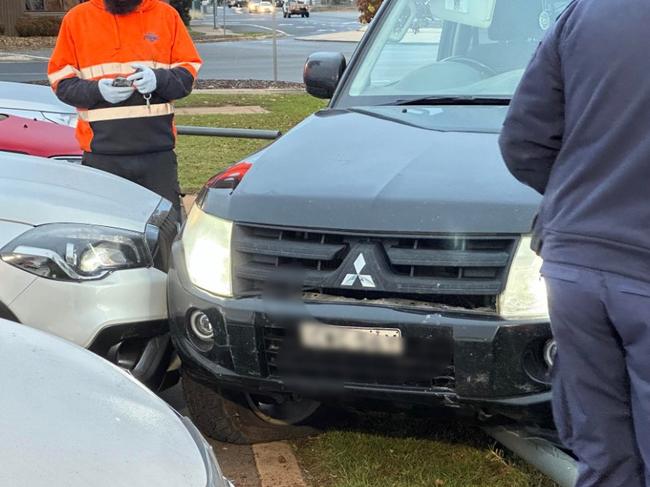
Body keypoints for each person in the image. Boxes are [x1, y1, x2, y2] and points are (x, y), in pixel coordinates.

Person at [500, 1, 650, 485]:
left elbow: (522, 141)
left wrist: (583, 200)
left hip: (575, 267)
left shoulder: (587, 12)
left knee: (603, 456)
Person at [48, 0, 202, 213]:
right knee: (105, 235)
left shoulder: (166, 16)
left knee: (165, 233)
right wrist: (97, 91)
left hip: (157, 157)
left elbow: (187, 75)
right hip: (102, 157)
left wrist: (158, 79)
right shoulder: (77, 19)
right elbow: (61, 83)